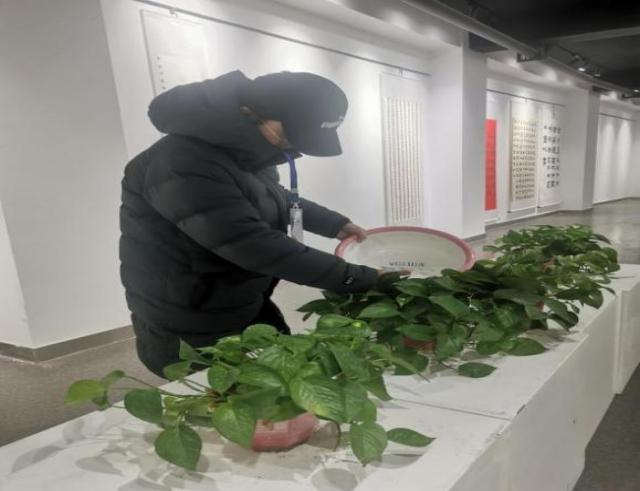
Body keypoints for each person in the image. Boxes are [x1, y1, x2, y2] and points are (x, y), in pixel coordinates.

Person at [119, 70, 380, 378]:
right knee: (226, 396)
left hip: (237, 296)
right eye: (290, 135)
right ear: (253, 112)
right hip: (189, 312)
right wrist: (357, 277)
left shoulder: (243, 152)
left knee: (280, 378)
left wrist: (334, 224)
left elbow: (270, 196)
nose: (293, 147)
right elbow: (251, 244)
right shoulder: (179, 163)